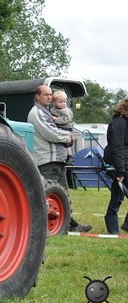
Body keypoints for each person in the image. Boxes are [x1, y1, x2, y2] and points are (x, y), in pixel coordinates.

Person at [27, 85, 92, 232]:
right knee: (49, 194)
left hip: (58, 159)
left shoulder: (48, 112)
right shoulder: (36, 112)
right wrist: (68, 137)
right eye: (46, 94)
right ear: (37, 97)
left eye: (50, 94)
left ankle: (69, 224)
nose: (49, 97)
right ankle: (41, 228)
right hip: (48, 160)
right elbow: (49, 132)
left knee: (62, 195)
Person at [103, 98, 128, 234]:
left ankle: (115, 229)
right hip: (119, 164)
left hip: (122, 163)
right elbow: (117, 147)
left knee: (117, 196)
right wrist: (121, 171)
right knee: (117, 197)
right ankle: (114, 229)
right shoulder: (119, 122)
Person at [51, 90, 75, 164]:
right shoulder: (53, 110)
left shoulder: (66, 111)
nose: (63, 104)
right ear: (54, 102)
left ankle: (70, 156)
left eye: (64, 101)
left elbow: (66, 120)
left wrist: (56, 119)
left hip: (66, 128)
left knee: (67, 144)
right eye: (60, 102)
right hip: (59, 128)